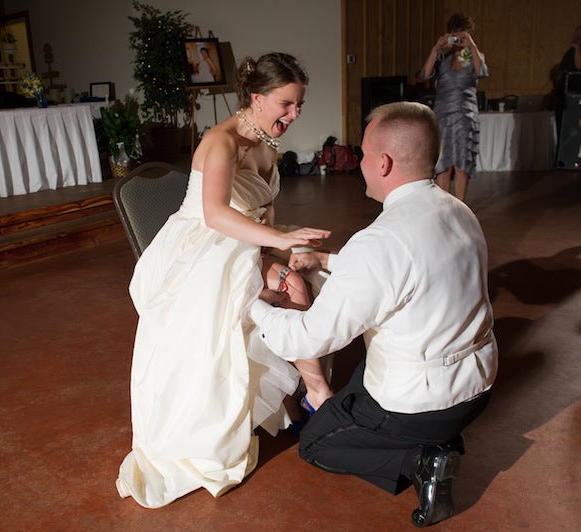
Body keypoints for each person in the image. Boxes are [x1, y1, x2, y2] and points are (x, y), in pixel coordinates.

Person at [251, 101, 498, 527]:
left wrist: (251, 304)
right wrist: (327, 260)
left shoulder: (380, 241)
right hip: (479, 386)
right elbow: (406, 270)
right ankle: (422, 438)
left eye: (363, 154)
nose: (360, 163)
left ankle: (426, 458)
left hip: (422, 403)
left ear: (383, 163)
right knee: (355, 382)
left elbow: (308, 338)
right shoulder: (460, 211)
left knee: (316, 444)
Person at [116, 52, 333, 509]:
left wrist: (283, 251)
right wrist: (278, 239)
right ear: (257, 98)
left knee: (299, 282)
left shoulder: (268, 142)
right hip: (202, 247)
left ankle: (305, 400)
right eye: (286, 105)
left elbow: (261, 213)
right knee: (281, 292)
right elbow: (215, 215)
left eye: (299, 106)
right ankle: (315, 397)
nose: (294, 115)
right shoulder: (222, 142)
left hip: (242, 243)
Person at [417, 12, 488, 203]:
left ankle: (461, 207)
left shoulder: (474, 56)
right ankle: (444, 206)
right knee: (443, 163)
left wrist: (471, 46)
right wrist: (436, 47)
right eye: (455, 35)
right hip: (442, 115)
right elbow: (425, 74)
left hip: (465, 115)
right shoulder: (443, 58)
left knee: (462, 162)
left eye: (462, 35)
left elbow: (481, 72)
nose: (458, 40)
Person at [554, 25, 581, 137]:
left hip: (575, 94)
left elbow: (579, 66)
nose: (577, 36)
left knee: (572, 127)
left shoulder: (577, 51)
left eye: (580, 34)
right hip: (564, 93)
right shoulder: (569, 52)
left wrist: (577, 48)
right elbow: (562, 70)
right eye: (576, 34)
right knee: (561, 124)